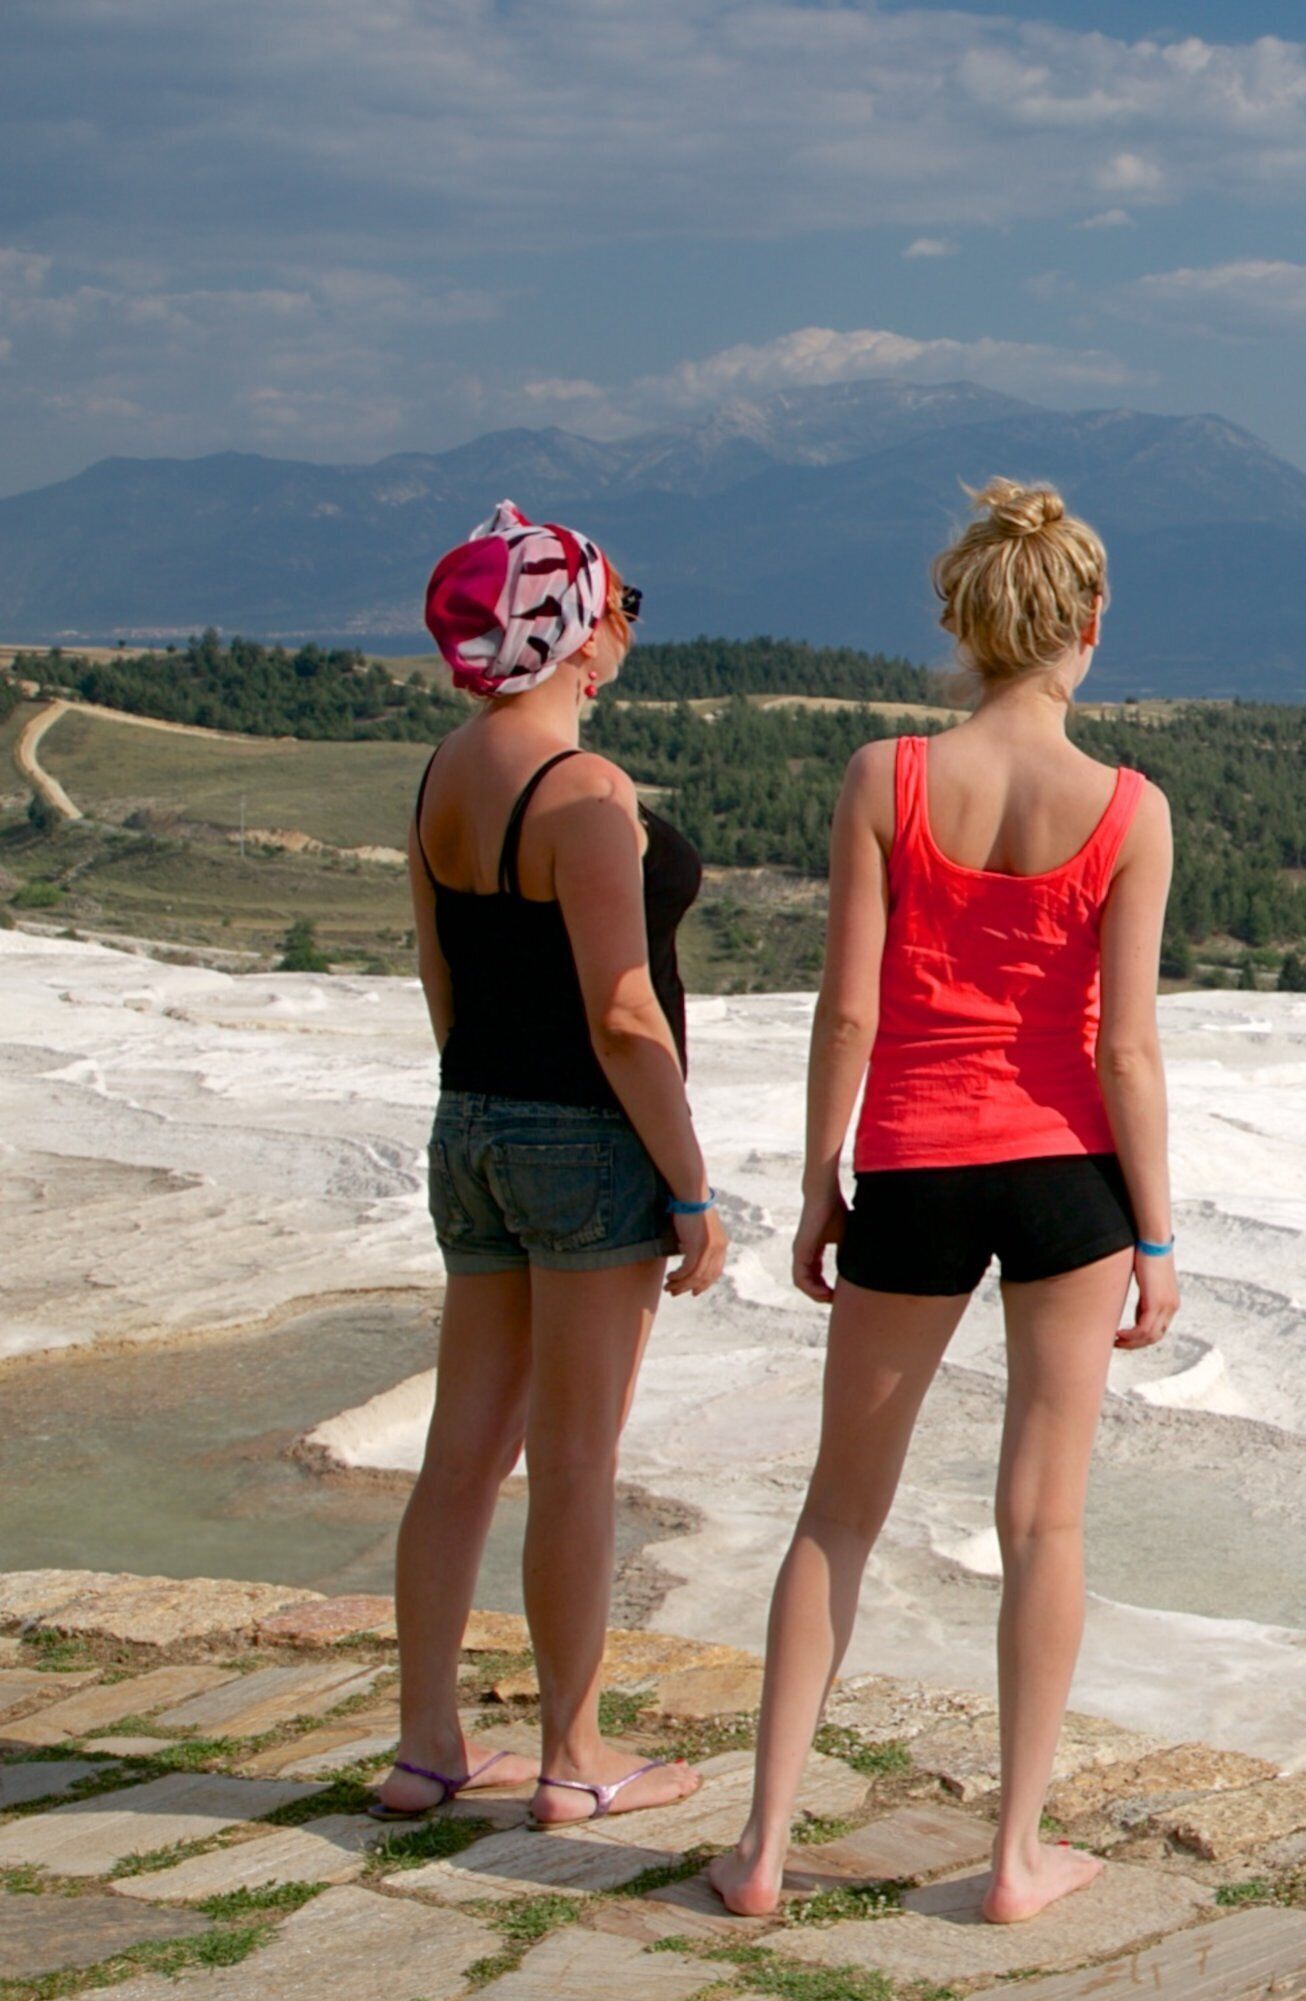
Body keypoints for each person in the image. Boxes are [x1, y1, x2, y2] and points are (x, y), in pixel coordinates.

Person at [709, 479, 1178, 1923]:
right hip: (1065, 1178)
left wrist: (815, 1186)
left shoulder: (885, 778)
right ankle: (1015, 1858)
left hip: (912, 1162)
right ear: (1090, 626)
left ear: (960, 626)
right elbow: (1126, 1045)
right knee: (1046, 1524)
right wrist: (1155, 1238)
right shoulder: (1130, 807)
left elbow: (846, 1012)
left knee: (838, 1515)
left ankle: (767, 1850)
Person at [381, 503, 724, 1826]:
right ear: (571, 631)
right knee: (576, 1462)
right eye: (620, 600)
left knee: (461, 1454)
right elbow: (625, 1013)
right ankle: (577, 1755)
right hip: (586, 1144)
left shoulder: (445, 771)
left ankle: (427, 1749)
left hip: (471, 1121)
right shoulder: (584, 793)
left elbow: (438, 967)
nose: (630, 622)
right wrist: (689, 1186)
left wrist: (480, 1107)